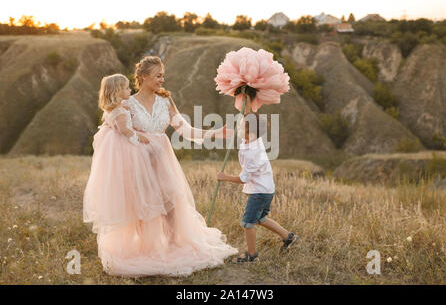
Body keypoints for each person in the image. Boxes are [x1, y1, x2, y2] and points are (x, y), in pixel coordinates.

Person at [83, 57, 237, 277]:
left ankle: (174, 245)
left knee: (173, 199)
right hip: (138, 165)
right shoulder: (126, 103)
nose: (162, 80)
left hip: (163, 160)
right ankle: (150, 249)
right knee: (147, 208)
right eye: (157, 75)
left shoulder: (166, 101)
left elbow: (184, 129)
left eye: (163, 75)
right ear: (143, 77)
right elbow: (111, 132)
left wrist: (214, 134)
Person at [217, 95, 298, 263]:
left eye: (241, 126)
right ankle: (288, 236)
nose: (238, 126)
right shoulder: (254, 139)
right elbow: (249, 117)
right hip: (266, 189)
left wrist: (225, 177)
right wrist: (246, 100)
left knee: (247, 223)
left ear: (250, 132)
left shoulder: (252, 152)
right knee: (260, 218)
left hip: (260, 192)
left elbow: (244, 178)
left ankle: (252, 255)